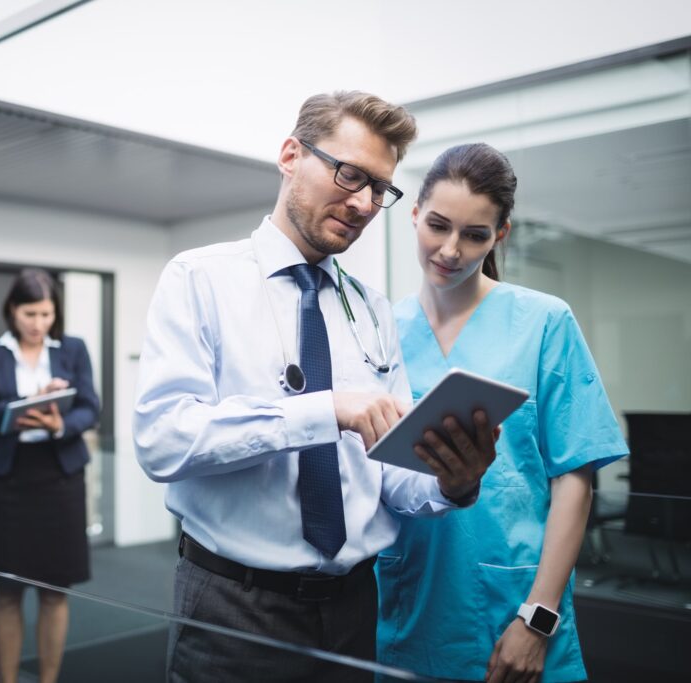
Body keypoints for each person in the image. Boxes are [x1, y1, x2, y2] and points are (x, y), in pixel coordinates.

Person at [133, 91, 499, 683]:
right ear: (289, 155)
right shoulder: (200, 278)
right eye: (350, 174)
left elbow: (390, 477)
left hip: (353, 606)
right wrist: (322, 410)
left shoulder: (372, 310)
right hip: (234, 605)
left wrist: (450, 481)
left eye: (380, 190)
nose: (362, 203)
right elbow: (163, 441)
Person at [375, 143, 629, 683]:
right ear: (414, 214)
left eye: (474, 235)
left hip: (511, 607)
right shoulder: (379, 331)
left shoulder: (543, 323)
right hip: (402, 604)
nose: (450, 250)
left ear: (500, 235)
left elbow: (575, 478)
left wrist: (537, 620)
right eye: (438, 226)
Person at [0, 268, 100, 683]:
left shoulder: (73, 349)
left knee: (54, 590)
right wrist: (25, 407)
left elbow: (90, 407)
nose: (38, 324)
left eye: (46, 314)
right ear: (12, 310)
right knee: (7, 591)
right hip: (9, 481)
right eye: (30, 314)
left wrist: (57, 423)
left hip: (60, 479)